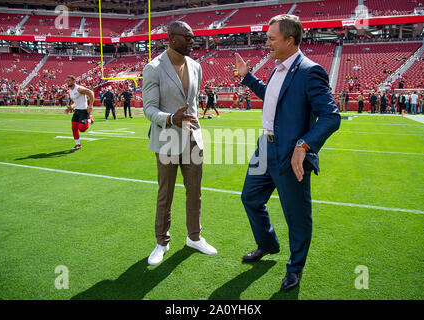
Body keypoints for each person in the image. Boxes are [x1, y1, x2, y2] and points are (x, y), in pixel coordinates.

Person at [235, 14, 340, 292]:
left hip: (291, 153)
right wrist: (248, 77)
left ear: (290, 40)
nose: (266, 42)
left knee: (296, 215)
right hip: (265, 148)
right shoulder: (278, 67)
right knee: (250, 198)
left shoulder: (309, 71)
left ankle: (295, 268)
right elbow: (272, 96)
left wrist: (303, 145)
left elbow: (331, 117)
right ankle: (268, 244)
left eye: (272, 38)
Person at [142, 21, 217, 266]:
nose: (192, 41)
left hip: (193, 139)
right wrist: (170, 118)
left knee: (195, 192)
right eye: (187, 37)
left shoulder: (196, 66)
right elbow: (149, 109)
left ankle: (194, 237)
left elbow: (192, 103)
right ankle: (161, 242)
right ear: (172, 38)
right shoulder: (153, 68)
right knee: (166, 194)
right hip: (166, 138)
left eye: (192, 37)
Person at [65, 75, 95, 151]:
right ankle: (78, 145)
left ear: (74, 81)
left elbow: (91, 93)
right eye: (67, 81)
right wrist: (71, 106)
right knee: (74, 127)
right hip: (77, 111)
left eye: (69, 81)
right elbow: (76, 102)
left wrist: (90, 105)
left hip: (84, 110)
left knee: (82, 129)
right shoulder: (70, 91)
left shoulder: (79, 89)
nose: (67, 82)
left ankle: (89, 119)